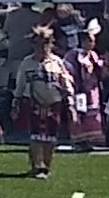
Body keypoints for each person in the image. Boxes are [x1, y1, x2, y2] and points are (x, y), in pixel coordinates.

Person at [12, 26, 73, 178]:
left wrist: (70, 99)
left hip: (54, 104)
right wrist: (16, 103)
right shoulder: (27, 63)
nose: (42, 47)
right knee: (36, 136)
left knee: (51, 137)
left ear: (51, 44)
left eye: (46, 43)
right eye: (39, 44)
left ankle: (46, 165)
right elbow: (19, 86)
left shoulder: (57, 62)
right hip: (34, 103)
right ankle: (37, 166)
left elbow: (66, 83)